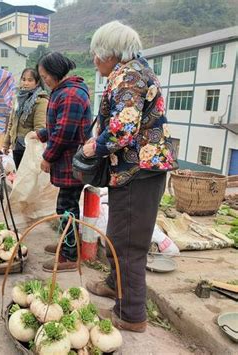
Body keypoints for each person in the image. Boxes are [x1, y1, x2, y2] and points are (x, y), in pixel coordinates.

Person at [83, 21, 178, 332]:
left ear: (111, 53)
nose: (95, 62)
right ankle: (115, 284)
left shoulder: (130, 74)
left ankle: (131, 314)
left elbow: (123, 129)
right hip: (134, 170)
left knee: (128, 245)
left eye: (97, 55)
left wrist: (92, 147)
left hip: (140, 171)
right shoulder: (132, 71)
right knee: (118, 235)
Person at [33, 52, 92, 272]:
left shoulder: (70, 95)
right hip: (68, 162)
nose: (44, 80)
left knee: (67, 208)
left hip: (71, 163)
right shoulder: (64, 92)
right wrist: (40, 134)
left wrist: (48, 157)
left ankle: (69, 256)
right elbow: (58, 126)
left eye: (45, 75)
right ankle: (66, 245)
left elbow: (64, 132)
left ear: (56, 72)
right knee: (66, 206)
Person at [3, 68, 48, 169]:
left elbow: (40, 129)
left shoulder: (41, 101)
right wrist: (6, 143)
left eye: (30, 80)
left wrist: (34, 150)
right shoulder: (17, 99)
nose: (26, 83)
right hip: (16, 147)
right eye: (23, 79)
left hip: (29, 149)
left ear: (37, 83)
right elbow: (11, 123)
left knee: (27, 180)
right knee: (18, 177)